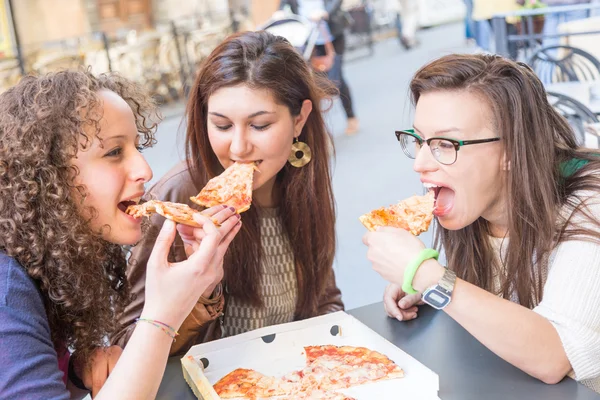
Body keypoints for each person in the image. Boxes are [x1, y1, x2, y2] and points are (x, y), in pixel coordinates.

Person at [364, 53, 600, 392]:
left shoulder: (589, 204)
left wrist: (431, 277)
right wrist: (430, 284)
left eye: (445, 144)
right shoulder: (476, 204)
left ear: (510, 149)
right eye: (418, 140)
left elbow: (554, 357)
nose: (420, 163)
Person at [0, 70, 241, 399]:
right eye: (114, 152)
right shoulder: (7, 290)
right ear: (46, 178)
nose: (145, 170)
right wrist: (161, 317)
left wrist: (75, 371)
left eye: (136, 147)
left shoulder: (39, 262)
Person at [112, 31, 343, 357]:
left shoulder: (301, 183)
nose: (238, 147)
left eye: (260, 125)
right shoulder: (178, 199)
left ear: (299, 119)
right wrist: (199, 287)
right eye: (222, 125)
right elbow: (124, 348)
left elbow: (324, 300)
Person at [279, 0, 360, 135]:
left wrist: (325, 11)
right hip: (308, 40)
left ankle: (351, 117)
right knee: (313, 84)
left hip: (332, 34)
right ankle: (317, 128)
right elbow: (284, 3)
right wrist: (280, 12)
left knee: (336, 80)